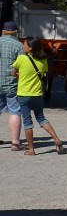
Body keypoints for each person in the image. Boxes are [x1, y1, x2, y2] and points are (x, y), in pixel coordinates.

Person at [12, 38, 63, 155]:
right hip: (37, 94)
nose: (23, 46)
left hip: (24, 94)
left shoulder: (21, 58)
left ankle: (31, 149)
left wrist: (21, 76)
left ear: (30, 48)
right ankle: (56, 139)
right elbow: (44, 72)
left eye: (24, 45)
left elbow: (13, 72)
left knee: (27, 122)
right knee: (41, 118)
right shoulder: (43, 60)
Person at [0, 21, 23, 150]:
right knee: (15, 111)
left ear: (3, 31)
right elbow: (22, 65)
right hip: (12, 83)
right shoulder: (18, 45)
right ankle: (15, 143)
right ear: (15, 32)